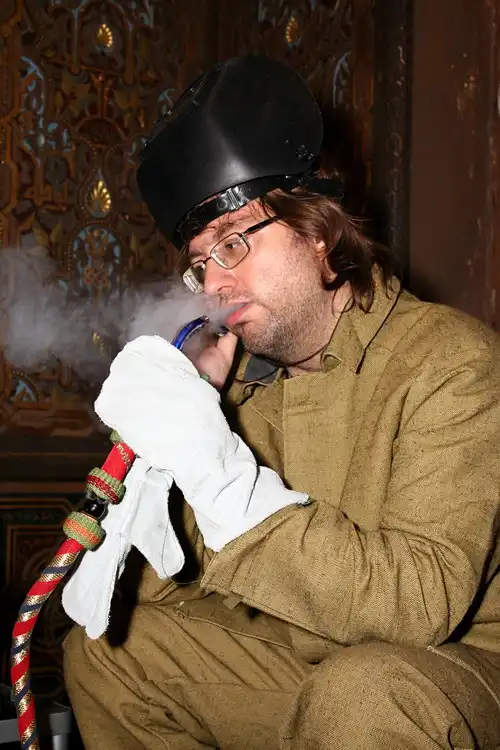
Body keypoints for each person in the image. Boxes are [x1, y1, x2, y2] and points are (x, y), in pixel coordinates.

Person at [63, 56, 500, 749]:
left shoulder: (452, 361)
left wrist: (225, 479)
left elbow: (420, 606)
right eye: (200, 264)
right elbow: (172, 593)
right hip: (310, 657)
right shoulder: (245, 390)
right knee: (111, 655)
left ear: (319, 231)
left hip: (455, 667)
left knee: (359, 694)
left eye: (233, 243)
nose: (214, 284)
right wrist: (170, 444)